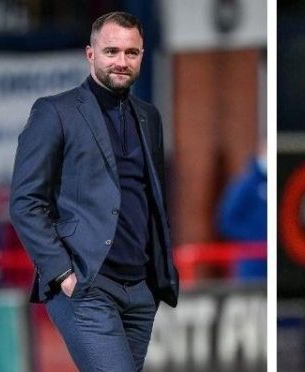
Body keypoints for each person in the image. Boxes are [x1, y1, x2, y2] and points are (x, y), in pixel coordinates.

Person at [9, 11, 178, 372]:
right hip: (86, 283)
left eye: (131, 53)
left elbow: (152, 197)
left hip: (139, 289)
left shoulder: (149, 117)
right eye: (111, 51)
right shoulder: (54, 112)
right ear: (90, 54)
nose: (121, 61)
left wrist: (156, 278)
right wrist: (61, 274)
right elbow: (25, 202)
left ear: (142, 56)